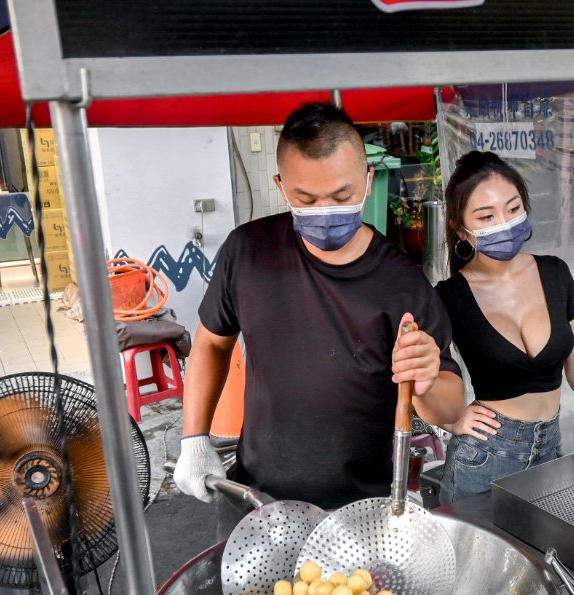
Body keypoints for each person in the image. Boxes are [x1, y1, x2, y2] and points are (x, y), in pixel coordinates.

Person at [174, 103, 464, 522]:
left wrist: (428, 376)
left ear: (367, 183)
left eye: (342, 195)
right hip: (258, 501)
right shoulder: (248, 251)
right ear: (280, 185)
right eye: (306, 199)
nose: (326, 210)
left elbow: (451, 409)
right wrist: (194, 440)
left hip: (366, 509)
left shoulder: (402, 282)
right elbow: (211, 344)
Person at [435, 151, 574, 503]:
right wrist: (450, 421)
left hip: (551, 448)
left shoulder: (555, 272)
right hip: (484, 457)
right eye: (486, 216)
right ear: (461, 230)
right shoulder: (447, 297)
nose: (504, 222)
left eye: (513, 209)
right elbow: (416, 377)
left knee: (546, 557)